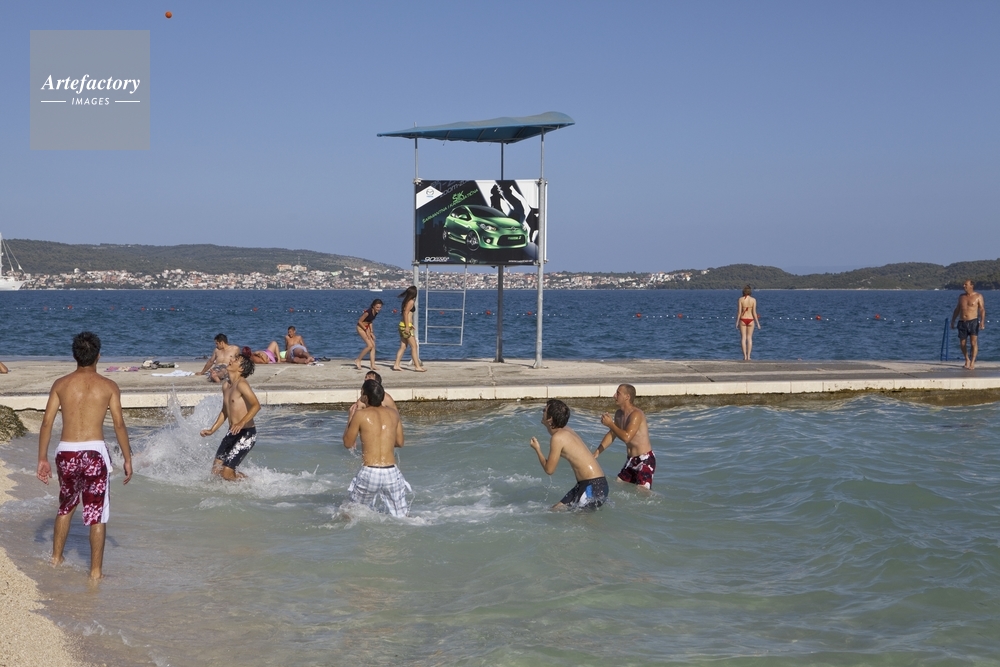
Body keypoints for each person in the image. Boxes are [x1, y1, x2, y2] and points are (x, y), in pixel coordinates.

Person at [35, 331, 133, 580]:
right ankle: (95, 573)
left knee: (66, 505)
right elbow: (119, 424)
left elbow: (46, 423)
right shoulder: (109, 386)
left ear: (74, 356)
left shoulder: (61, 384)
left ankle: (55, 559)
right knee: (96, 513)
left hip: (66, 451)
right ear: (98, 356)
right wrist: (127, 458)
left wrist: (42, 458)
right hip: (94, 454)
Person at [342, 379, 409, 517]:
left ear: (366, 398)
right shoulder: (394, 414)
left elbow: (348, 443)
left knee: (350, 513)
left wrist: (350, 417)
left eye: (361, 394)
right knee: (402, 516)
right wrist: (383, 441)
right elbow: (400, 442)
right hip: (391, 472)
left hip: (370, 472)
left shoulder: (360, 415)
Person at [529, 399, 608, 510]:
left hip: (592, 486)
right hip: (592, 484)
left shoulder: (557, 438)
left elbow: (549, 470)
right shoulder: (566, 430)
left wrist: (537, 449)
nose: (542, 411)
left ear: (550, 418)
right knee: (554, 510)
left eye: (544, 410)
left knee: (581, 520)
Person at [200, 347, 260, 481]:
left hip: (246, 434)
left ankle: (250, 483)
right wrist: (212, 430)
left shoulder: (242, 384)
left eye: (236, 360)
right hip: (232, 432)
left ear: (241, 368)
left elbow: (256, 405)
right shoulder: (226, 386)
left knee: (226, 473)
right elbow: (225, 411)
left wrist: (241, 422)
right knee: (216, 471)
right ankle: (239, 481)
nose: (231, 360)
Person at [594, 384, 656, 490]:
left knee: (643, 493)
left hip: (645, 460)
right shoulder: (619, 414)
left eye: (618, 393)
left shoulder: (636, 414)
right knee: (618, 484)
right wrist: (597, 452)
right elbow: (612, 434)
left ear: (627, 397)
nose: (614, 395)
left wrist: (610, 424)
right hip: (631, 460)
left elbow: (627, 437)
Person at [951, 280, 986, 370]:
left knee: (973, 343)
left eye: (966, 284)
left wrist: (982, 321)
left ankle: (973, 361)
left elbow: (982, 309)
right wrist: (953, 321)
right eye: (963, 284)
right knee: (962, 343)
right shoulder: (961, 297)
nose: (964, 286)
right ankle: (967, 359)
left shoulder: (978, 296)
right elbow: (957, 309)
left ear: (971, 286)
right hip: (962, 322)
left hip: (973, 321)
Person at [392, 286, 425, 372]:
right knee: (414, 346)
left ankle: (396, 365)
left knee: (403, 346)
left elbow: (407, 314)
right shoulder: (410, 301)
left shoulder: (406, 301)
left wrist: (410, 324)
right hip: (405, 326)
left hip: (403, 325)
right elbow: (405, 313)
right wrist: (407, 326)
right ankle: (417, 366)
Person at [354, 298, 383, 371]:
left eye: (380, 307)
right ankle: (358, 360)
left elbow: (370, 322)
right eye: (377, 307)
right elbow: (359, 321)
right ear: (373, 306)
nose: (379, 309)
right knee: (369, 345)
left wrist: (371, 332)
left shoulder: (375, 312)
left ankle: (373, 365)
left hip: (367, 328)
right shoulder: (368, 312)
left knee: (373, 345)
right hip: (361, 328)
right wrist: (366, 330)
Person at [737, 285, 761, 361]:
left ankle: (744, 356)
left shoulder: (740, 299)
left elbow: (739, 312)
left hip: (743, 319)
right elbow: (754, 312)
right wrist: (758, 323)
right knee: (749, 338)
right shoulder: (753, 300)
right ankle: (749, 356)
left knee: (743, 338)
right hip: (750, 319)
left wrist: (737, 322)